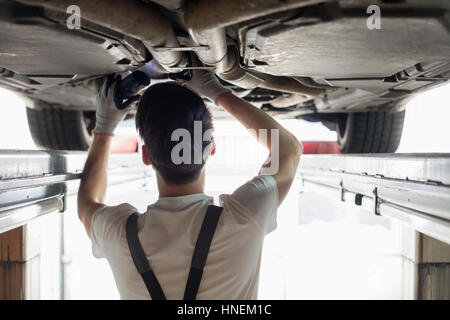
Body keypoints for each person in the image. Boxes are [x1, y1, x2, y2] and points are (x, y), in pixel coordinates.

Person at [77, 68, 302, 300]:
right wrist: (218, 93)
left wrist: (104, 128)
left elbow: (86, 205)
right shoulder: (244, 217)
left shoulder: (244, 217)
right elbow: (288, 149)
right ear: (211, 148)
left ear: (146, 156)